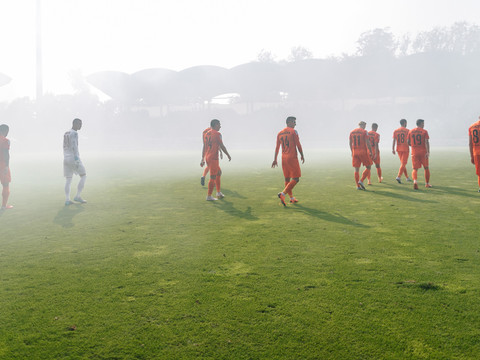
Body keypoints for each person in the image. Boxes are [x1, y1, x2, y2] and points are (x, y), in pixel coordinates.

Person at [272, 116, 305, 206]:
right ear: (289, 122)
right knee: (296, 179)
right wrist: (302, 155)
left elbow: (277, 148)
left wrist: (275, 159)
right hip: (292, 158)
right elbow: (298, 144)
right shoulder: (293, 132)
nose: (295, 124)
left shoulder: (279, 133)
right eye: (294, 122)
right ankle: (282, 194)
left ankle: (291, 198)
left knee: (287, 178)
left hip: (284, 158)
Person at [200, 119, 231, 201]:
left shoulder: (206, 133)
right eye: (219, 124)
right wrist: (227, 154)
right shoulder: (217, 134)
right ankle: (209, 196)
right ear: (215, 125)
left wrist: (203, 158)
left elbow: (205, 145)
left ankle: (218, 192)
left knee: (219, 173)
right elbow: (222, 145)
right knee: (213, 176)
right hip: (213, 157)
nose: (220, 126)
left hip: (208, 156)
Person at [63, 118, 87, 205]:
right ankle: (77, 196)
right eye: (79, 124)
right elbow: (74, 146)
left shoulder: (66, 133)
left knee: (68, 179)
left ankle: (67, 199)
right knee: (83, 175)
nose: (81, 126)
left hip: (66, 158)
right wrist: (77, 159)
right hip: (73, 158)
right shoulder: (74, 133)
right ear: (75, 124)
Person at [407, 119, 431, 190]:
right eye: (423, 123)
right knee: (426, 168)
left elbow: (408, 142)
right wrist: (428, 151)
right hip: (423, 152)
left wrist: (414, 146)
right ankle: (427, 183)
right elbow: (426, 142)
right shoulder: (424, 131)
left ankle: (415, 181)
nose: (424, 125)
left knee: (415, 169)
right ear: (420, 124)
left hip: (414, 152)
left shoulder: (410, 131)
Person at [349, 121, 373, 190]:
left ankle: (358, 186)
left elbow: (350, 143)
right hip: (363, 152)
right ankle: (361, 180)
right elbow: (367, 142)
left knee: (356, 169)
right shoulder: (364, 131)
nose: (365, 127)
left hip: (355, 152)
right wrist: (371, 151)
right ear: (363, 125)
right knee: (368, 167)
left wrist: (352, 151)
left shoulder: (352, 132)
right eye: (365, 125)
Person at [392, 119, 411, 183]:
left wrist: (393, 148)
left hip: (398, 148)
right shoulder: (408, 131)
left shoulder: (396, 131)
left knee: (402, 164)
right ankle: (399, 176)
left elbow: (394, 140)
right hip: (405, 148)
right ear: (405, 123)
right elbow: (409, 141)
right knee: (403, 163)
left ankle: (407, 177)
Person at [0, 124, 13, 210]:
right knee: (5, 184)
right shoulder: (5, 140)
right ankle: (4, 206)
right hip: (2, 164)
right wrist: (6, 166)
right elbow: (6, 154)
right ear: (6, 131)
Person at [468, 115, 480, 192]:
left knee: (479, 173)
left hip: (476, 153)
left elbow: (470, 143)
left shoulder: (471, 127)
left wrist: (472, 156)